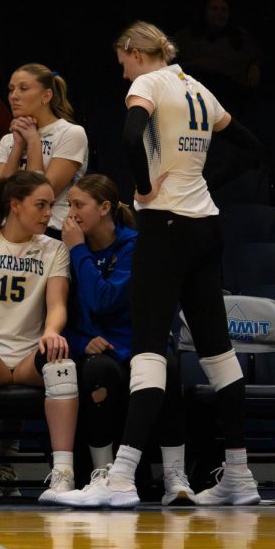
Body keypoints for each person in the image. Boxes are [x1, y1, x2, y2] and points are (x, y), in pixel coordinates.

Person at [55, 21, 264, 509]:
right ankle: (239, 475)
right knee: (218, 353)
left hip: (164, 226)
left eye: (122, 61)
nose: (123, 72)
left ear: (133, 50)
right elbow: (254, 151)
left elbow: (131, 137)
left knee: (149, 350)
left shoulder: (148, 84)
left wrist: (146, 186)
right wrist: (203, 180)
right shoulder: (198, 89)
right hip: (205, 226)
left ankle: (122, 477)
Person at [61, 174, 194, 505]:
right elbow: (62, 312)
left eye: (79, 205)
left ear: (105, 207)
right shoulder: (63, 251)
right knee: (96, 372)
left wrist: (78, 249)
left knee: (170, 368)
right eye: (69, 206)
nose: (71, 214)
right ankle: (106, 475)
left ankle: (174, 476)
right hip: (98, 348)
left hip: (137, 344)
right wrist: (81, 341)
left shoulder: (135, 246)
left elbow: (103, 299)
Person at [0, 171, 78, 506]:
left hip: (27, 358)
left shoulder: (54, 249)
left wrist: (51, 332)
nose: (49, 212)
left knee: (62, 365)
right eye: (41, 204)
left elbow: (57, 304)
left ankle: (64, 474)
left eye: (51, 205)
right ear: (16, 205)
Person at [0, 64, 87, 236]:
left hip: (52, 231)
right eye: (11, 89)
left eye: (23, 89)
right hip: (9, 231)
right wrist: (18, 147)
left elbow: (42, 195)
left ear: (46, 95)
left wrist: (34, 142)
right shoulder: (8, 140)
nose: (14, 96)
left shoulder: (71, 133)